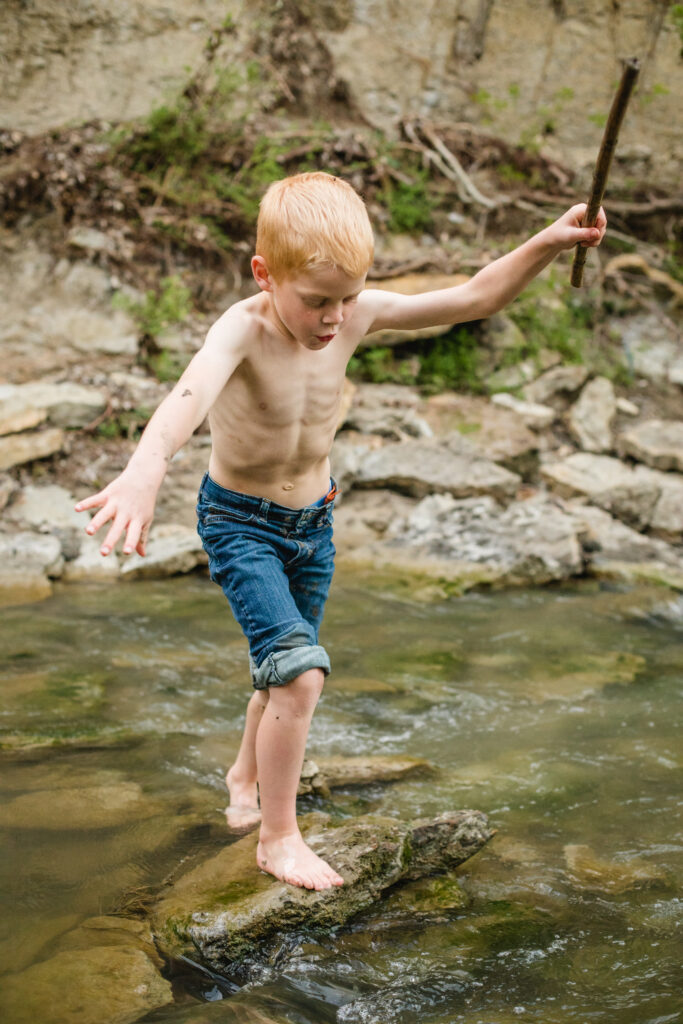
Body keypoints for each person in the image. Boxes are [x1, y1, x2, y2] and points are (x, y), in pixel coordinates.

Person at [76, 171, 606, 891]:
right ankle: (278, 838)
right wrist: (145, 469)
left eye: (348, 297)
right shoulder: (242, 327)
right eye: (316, 301)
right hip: (241, 524)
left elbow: (473, 296)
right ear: (265, 275)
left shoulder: (353, 314)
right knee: (300, 671)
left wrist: (549, 239)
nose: (334, 317)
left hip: (314, 523)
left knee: (282, 669)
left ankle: (243, 774)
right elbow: (187, 397)